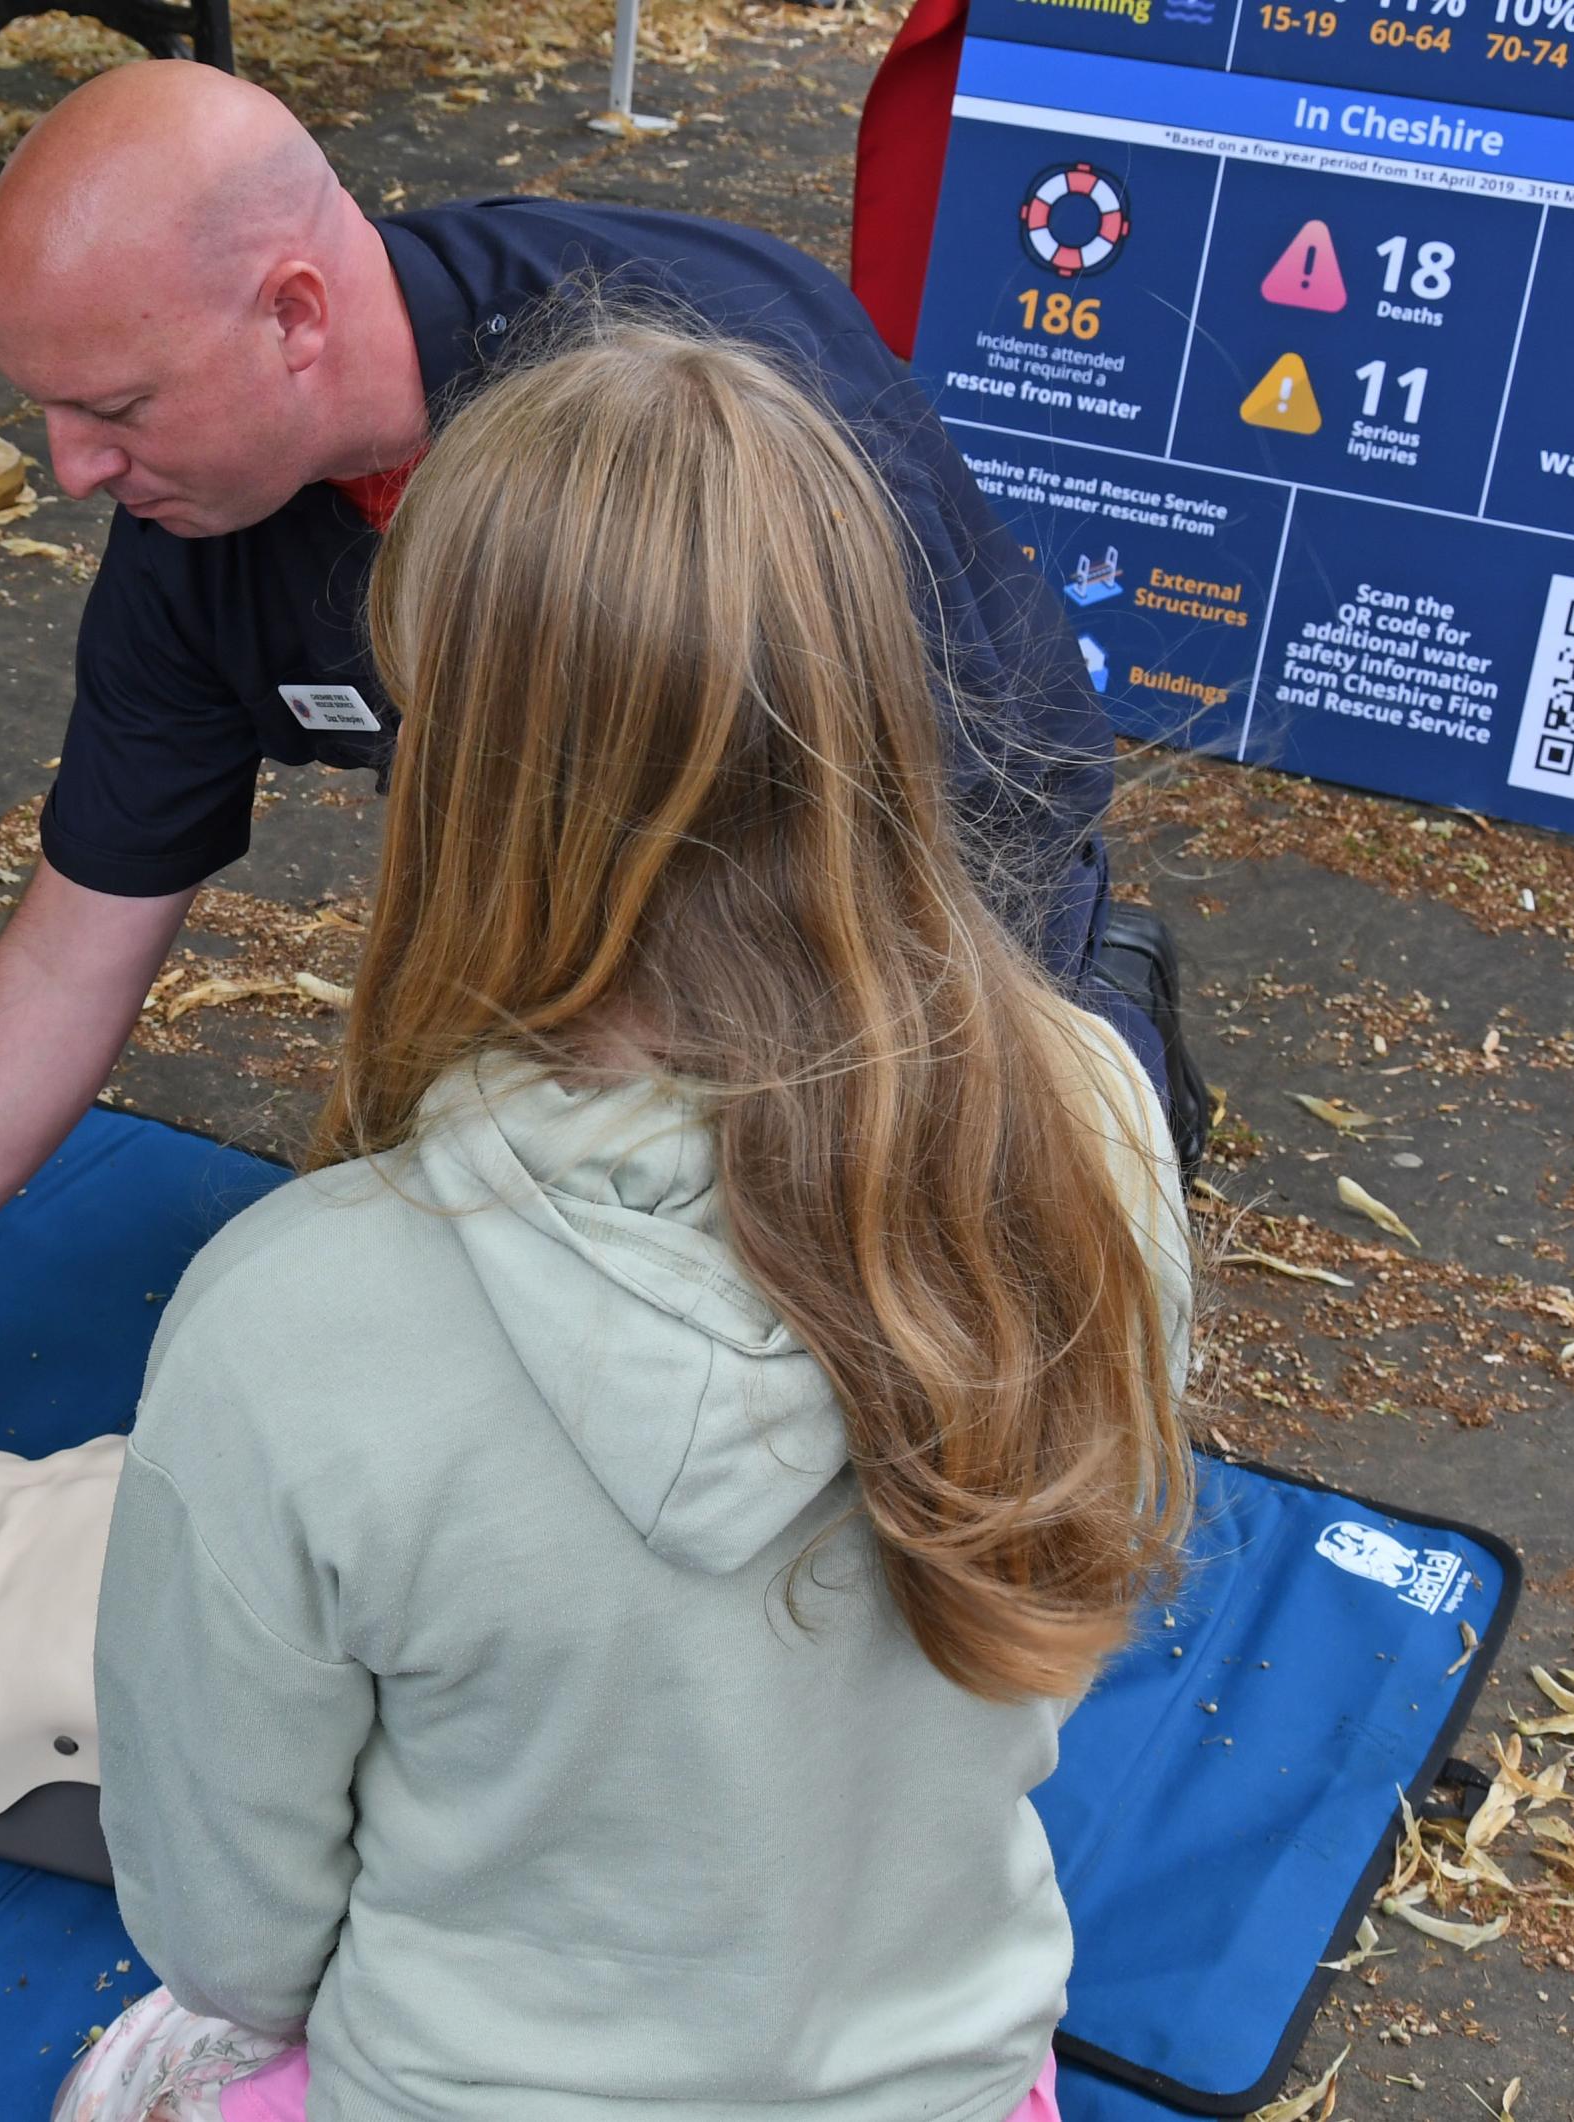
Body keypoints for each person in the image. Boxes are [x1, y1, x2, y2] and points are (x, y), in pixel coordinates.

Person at [58, 322, 1195, 2121]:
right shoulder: (1097, 1129)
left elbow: (234, 1934)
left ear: (467, 778)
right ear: (881, 697)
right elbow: (1042, 1646)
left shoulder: (290, 1320)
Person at [0, 59, 1201, 1377]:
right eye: (49, 410)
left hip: (914, 857)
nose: (70, 470)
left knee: (905, 1333)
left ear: (294, 314)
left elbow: (874, 895)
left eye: (116, 409)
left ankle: (1098, 1023)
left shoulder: (713, 403)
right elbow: (81, 936)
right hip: (580, 871)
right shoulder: (197, 535)